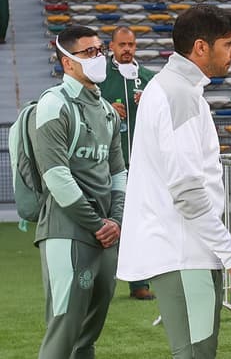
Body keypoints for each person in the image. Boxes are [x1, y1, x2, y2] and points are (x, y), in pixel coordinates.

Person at [116, 4, 231, 358]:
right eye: (229, 44)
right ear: (201, 47)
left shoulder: (176, 88)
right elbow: (188, 192)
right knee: (195, 355)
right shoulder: (177, 94)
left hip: (185, 248)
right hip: (185, 251)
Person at [32, 25, 126, 358]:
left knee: (87, 336)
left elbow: (118, 172)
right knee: (64, 331)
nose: (99, 57)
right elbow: (56, 177)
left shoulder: (107, 112)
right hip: (67, 231)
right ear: (67, 62)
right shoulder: (53, 104)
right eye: (89, 52)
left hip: (105, 234)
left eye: (101, 50)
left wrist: (115, 220)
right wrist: (97, 223)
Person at [98, 26, 156, 300]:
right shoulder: (100, 78)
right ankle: (100, 281)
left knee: (141, 223)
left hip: (142, 164)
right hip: (108, 165)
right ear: (112, 46)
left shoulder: (147, 79)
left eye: (131, 44)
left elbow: (164, 114)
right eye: (122, 44)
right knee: (107, 221)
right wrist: (107, 106)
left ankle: (139, 283)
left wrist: (151, 103)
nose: (127, 49)